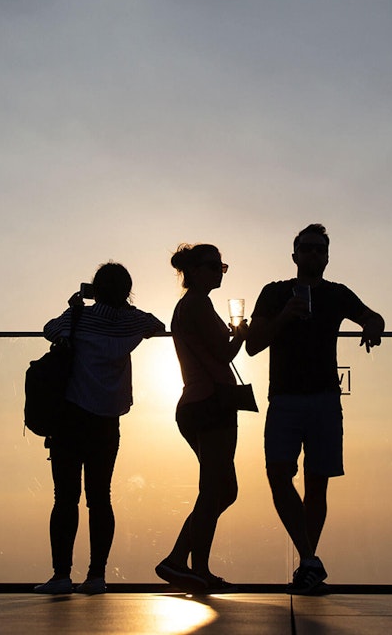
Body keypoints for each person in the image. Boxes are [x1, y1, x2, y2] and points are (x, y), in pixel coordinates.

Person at [245, 223, 385, 595]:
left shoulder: (337, 294)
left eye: (319, 249)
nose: (312, 254)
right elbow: (253, 345)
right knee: (278, 475)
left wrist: (372, 326)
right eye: (306, 248)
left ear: (326, 256)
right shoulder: (275, 293)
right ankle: (309, 559)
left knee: (317, 485)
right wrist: (284, 317)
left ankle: (308, 563)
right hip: (285, 398)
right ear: (294, 255)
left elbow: (373, 316)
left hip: (324, 398)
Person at [34, 262, 165, 596]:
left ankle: (61, 574)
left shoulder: (80, 318)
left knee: (65, 498)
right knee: (100, 498)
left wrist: (74, 307)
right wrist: (125, 308)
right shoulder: (132, 321)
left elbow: (49, 329)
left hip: (70, 417)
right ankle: (96, 575)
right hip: (107, 422)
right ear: (126, 290)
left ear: (95, 287)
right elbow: (158, 325)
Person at [155, 244, 249, 595]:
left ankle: (183, 561)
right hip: (209, 402)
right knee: (216, 489)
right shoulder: (195, 304)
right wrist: (240, 333)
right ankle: (191, 567)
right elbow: (223, 353)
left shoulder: (191, 306)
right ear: (192, 271)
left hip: (200, 403)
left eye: (221, 266)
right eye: (212, 266)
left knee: (223, 489)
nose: (218, 272)